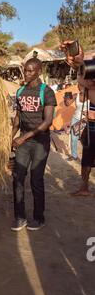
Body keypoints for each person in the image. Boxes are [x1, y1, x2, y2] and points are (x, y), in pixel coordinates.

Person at [10, 58, 57, 232]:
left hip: (40, 142)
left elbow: (47, 122)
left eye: (31, 71)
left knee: (36, 179)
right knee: (17, 178)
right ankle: (20, 217)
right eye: (25, 70)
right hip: (23, 141)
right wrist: (10, 138)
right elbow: (17, 118)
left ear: (38, 71)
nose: (27, 73)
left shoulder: (47, 92)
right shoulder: (20, 91)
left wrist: (24, 138)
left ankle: (39, 217)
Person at [61, 41, 95, 196]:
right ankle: (84, 187)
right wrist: (76, 61)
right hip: (92, 124)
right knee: (87, 156)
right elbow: (86, 78)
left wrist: (80, 63)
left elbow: (86, 80)